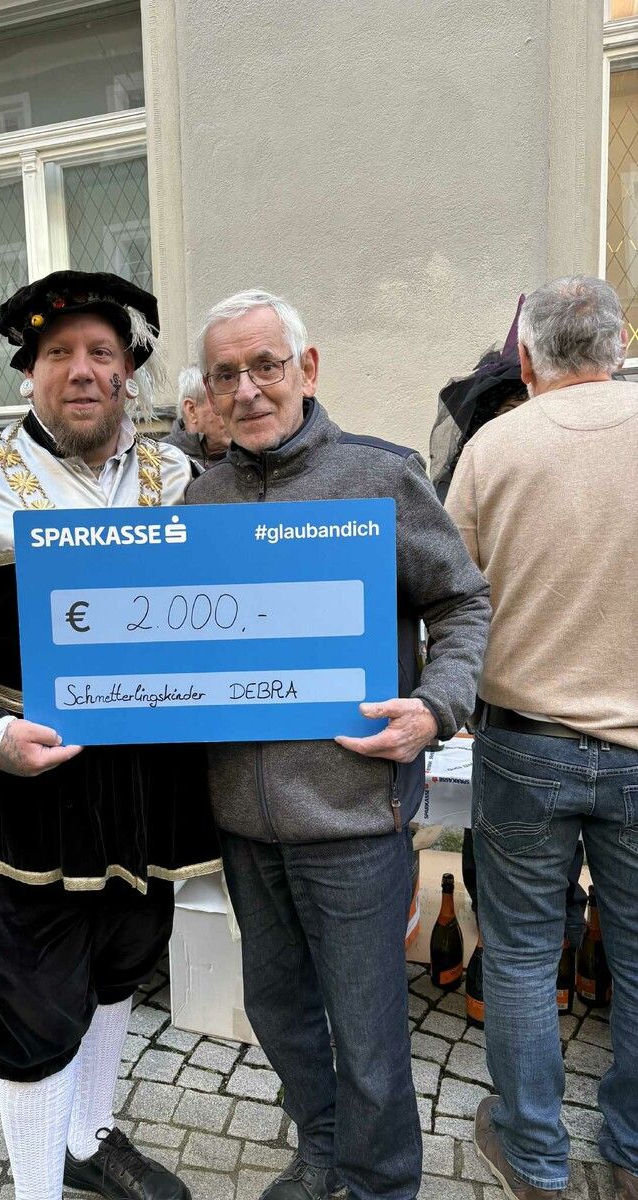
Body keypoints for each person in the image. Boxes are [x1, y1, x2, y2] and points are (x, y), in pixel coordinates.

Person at [0, 270, 222, 1200]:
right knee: (32, 998)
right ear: (29, 374)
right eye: (58, 353)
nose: (81, 370)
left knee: (121, 963)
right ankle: (36, 1188)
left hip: (146, 778)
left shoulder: (181, 479)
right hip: (24, 777)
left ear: (131, 372)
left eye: (101, 352)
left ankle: (90, 1138)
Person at [185, 289, 491, 1200]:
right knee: (279, 1013)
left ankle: (382, 1185)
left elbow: (461, 601)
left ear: (307, 370)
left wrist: (436, 705)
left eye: (266, 366)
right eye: (226, 374)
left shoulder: (382, 476)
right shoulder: (198, 503)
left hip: (356, 819)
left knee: (368, 1034)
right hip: (243, 824)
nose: (247, 390)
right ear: (206, 391)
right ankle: (323, 1154)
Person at [446, 275, 638, 1200]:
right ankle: (633, 1146)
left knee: (522, 953)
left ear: (525, 357)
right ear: (621, 341)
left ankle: (531, 1149)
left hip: (523, 740)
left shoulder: (493, 446)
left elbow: (455, 591)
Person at [429, 305, 588, 950]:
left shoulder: (508, 445)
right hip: (525, 699)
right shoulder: (491, 447)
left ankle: (551, 960)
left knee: (520, 925)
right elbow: (455, 584)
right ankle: (551, 963)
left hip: (529, 705)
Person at [163, 364, 230, 466]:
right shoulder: (158, 459)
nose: (234, 413)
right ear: (192, 410)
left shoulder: (251, 458)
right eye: (221, 403)